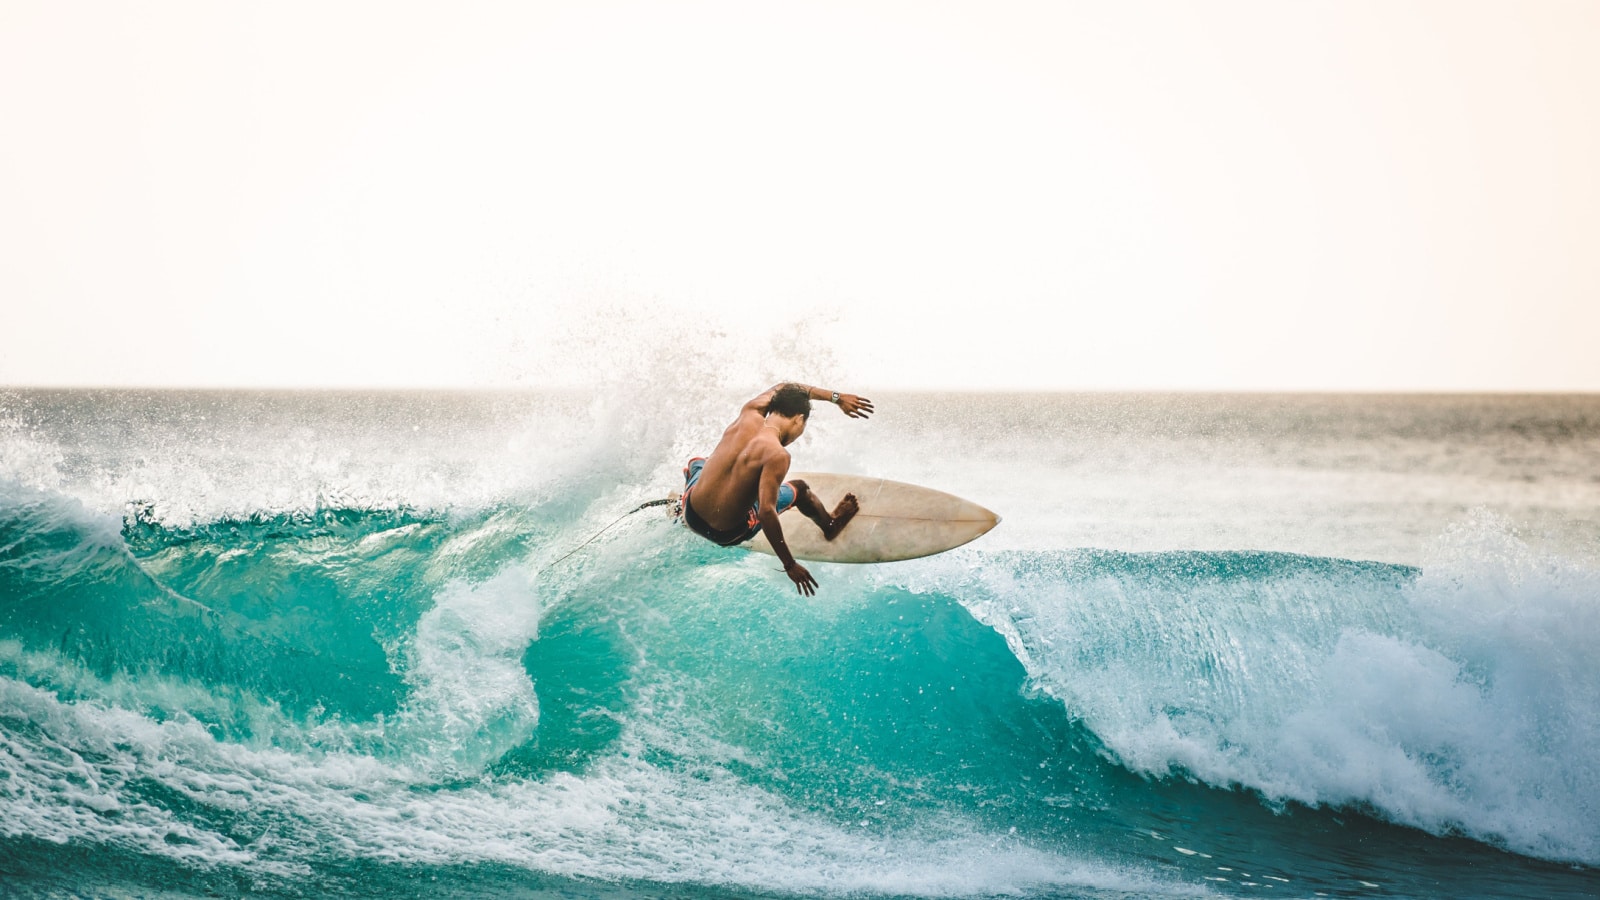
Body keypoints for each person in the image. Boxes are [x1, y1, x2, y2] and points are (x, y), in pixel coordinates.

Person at [679, 383, 874, 595]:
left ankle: (680, 510)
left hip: (691, 514)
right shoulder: (776, 455)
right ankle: (830, 524)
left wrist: (837, 398)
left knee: (698, 463)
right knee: (799, 488)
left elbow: (785, 386)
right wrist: (789, 564)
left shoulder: (750, 411)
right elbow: (766, 512)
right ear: (798, 419)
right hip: (726, 533)